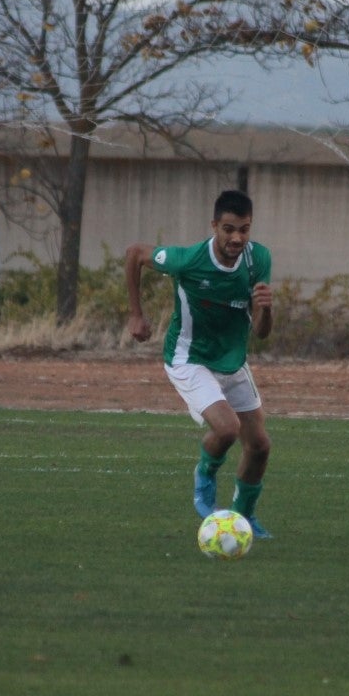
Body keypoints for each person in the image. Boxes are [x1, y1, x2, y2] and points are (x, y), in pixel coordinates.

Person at [125, 189, 276, 538]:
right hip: (189, 358)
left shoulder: (259, 260)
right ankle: (205, 475)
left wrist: (267, 308)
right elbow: (135, 254)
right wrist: (136, 315)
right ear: (214, 226)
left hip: (232, 361)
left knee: (260, 446)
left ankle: (243, 518)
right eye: (228, 229)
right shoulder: (187, 260)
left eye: (244, 229)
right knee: (226, 428)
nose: (237, 237)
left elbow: (263, 333)